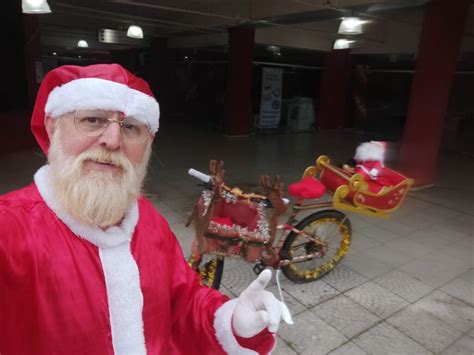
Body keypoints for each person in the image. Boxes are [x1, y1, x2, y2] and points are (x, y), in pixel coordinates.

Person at [0, 64, 292, 355]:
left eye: (130, 127)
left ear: (148, 142)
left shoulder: (147, 218)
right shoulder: (9, 230)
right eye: (92, 119)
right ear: (52, 126)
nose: (112, 141)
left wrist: (232, 324)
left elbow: (180, 303)